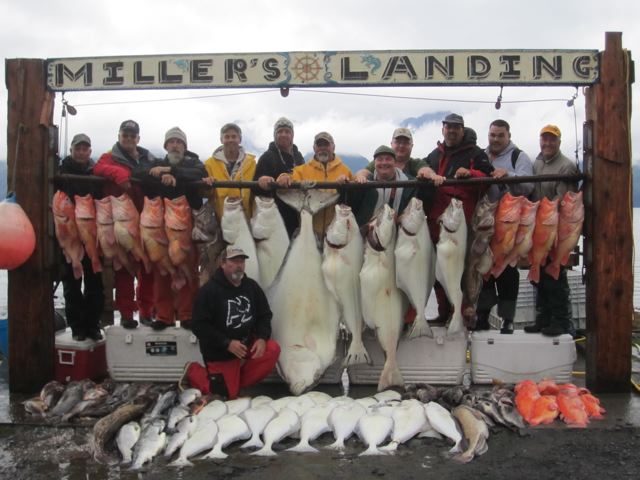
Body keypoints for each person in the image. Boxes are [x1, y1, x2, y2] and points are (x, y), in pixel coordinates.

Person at [421, 113, 494, 324]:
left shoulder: (476, 153)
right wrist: (424, 173)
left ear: (462, 130)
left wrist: (471, 173)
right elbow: (423, 168)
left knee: (463, 270)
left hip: (463, 221)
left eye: (456, 127)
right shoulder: (435, 154)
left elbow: (487, 178)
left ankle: (462, 314)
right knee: (438, 270)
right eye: (448, 127)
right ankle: (444, 312)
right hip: (437, 221)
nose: (451, 131)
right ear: (443, 129)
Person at [133, 127, 207, 331]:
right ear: (166, 146)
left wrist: (173, 173)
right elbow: (138, 173)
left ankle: (187, 314)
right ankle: (163, 316)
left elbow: (200, 174)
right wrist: (160, 174)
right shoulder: (156, 163)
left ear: (185, 146)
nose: (175, 145)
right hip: (159, 228)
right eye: (172, 142)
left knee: (188, 270)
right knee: (162, 273)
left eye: (179, 142)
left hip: (185, 227)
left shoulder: (194, 163)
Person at [189, 246, 280, 399]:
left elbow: (264, 315)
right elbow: (198, 326)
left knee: (272, 349)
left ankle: (233, 383)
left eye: (241, 261)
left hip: (246, 345)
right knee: (226, 397)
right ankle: (193, 371)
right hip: (220, 352)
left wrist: (262, 338)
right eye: (234, 261)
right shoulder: (209, 291)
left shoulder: (252, 287)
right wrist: (227, 343)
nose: (239, 265)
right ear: (223, 263)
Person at [94, 120, 156, 329]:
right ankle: (127, 314)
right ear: (119, 136)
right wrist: (119, 174)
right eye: (125, 135)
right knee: (124, 269)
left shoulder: (149, 158)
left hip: (147, 220)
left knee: (148, 268)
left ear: (138, 138)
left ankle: (146, 312)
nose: (128, 139)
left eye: (132, 136)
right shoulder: (109, 156)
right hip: (122, 221)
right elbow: (98, 168)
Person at [474, 119, 534, 334]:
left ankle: (507, 318)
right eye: (492, 135)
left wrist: (508, 175)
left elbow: (528, 186)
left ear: (509, 136)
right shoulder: (481, 155)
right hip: (484, 221)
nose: (496, 139)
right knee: (484, 269)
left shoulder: (519, 156)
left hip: (510, 223)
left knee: (508, 271)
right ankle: (482, 315)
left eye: (500, 135)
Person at [524, 124, 579, 336]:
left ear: (559, 142)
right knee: (538, 276)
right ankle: (543, 319)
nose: (547, 143)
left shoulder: (566, 167)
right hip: (539, 227)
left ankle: (561, 321)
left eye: (552, 139)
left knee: (555, 276)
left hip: (556, 229)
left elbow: (563, 200)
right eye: (544, 139)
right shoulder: (537, 162)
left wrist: (544, 212)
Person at [58, 133, 105, 341]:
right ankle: (77, 328)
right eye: (77, 148)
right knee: (72, 285)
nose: (81, 152)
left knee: (95, 286)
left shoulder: (96, 173)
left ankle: (93, 326)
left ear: (90, 152)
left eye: (85, 149)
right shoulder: (60, 171)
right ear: (71, 150)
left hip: (91, 235)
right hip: (69, 235)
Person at [277, 131, 352, 238]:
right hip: (308, 233)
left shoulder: (345, 171)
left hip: (336, 234)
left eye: (326, 144)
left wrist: (361, 175)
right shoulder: (301, 170)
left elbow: (356, 191)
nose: (322, 148)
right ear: (314, 148)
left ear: (333, 147)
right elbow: (287, 184)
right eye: (319, 145)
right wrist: (283, 176)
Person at [253, 117, 305, 238]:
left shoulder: (299, 157)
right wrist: (262, 181)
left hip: (297, 216)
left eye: (287, 132)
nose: (283, 134)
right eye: (280, 131)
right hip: (274, 218)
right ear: (274, 135)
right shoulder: (266, 157)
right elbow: (255, 188)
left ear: (292, 135)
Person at [349, 145, 418, 225]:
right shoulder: (365, 183)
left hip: (400, 230)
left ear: (395, 162)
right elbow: (350, 203)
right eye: (380, 159)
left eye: (388, 159)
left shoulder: (411, 184)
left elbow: (415, 210)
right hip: (367, 230)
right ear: (374, 163)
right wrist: (342, 184)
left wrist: (399, 218)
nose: (384, 162)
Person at [203, 123, 256, 220]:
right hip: (221, 221)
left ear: (240, 139)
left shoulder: (251, 163)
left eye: (234, 136)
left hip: (246, 221)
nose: (230, 139)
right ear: (221, 140)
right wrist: (207, 185)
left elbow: (255, 193)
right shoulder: (209, 164)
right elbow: (206, 194)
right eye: (227, 137)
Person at [354, 127, 431, 181]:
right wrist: (361, 177)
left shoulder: (416, 163)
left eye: (405, 143)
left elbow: (425, 170)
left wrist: (427, 174)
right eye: (398, 142)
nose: (401, 146)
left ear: (412, 146)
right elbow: (365, 171)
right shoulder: (381, 162)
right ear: (391, 144)